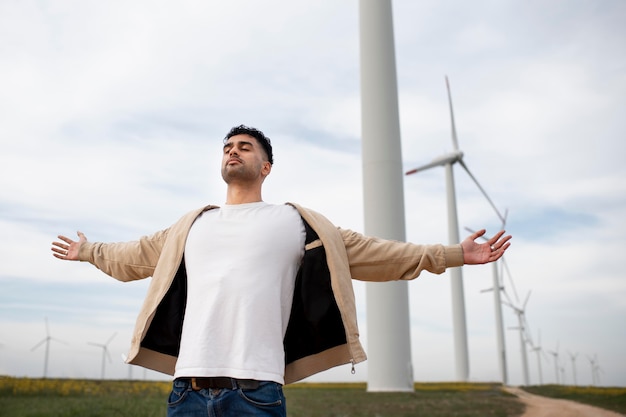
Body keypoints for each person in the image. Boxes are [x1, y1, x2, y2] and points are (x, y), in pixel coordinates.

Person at [51, 124, 511, 417]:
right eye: (228, 147)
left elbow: (380, 253)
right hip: (186, 393)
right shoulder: (191, 225)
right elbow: (132, 256)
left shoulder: (300, 223)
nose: (233, 151)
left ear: (265, 166)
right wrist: (88, 251)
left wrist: (453, 254)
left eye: (245, 147)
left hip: (257, 393)